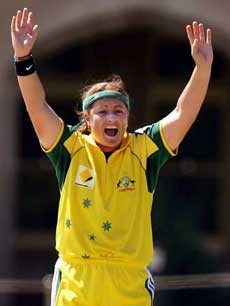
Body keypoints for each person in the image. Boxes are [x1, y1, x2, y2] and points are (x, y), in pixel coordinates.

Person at [11, 7, 213, 306]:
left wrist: (203, 68)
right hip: (77, 279)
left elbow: (183, 113)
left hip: (128, 281)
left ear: (127, 119)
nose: (111, 117)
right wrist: (23, 59)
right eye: (102, 111)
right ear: (87, 120)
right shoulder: (70, 147)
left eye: (118, 111)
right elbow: (38, 107)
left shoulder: (144, 149)